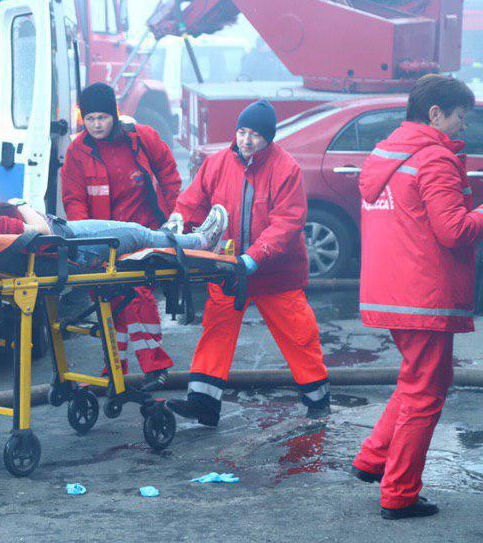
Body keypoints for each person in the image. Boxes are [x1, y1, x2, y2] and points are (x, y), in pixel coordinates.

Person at [350, 75, 483, 520]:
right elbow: (455, 231)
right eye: (460, 116)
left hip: (393, 292)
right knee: (425, 392)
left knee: (420, 381)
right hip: (424, 295)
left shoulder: (387, 153)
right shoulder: (435, 159)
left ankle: (374, 459)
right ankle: (400, 494)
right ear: (435, 113)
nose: (463, 125)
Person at [165, 99, 331, 426]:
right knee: (216, 332)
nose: (246, 140)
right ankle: (203, 404)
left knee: (299, 335)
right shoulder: (217, 164)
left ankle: (318, 400)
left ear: (268, 137)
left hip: (275, 275)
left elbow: (287, 224)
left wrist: (252, 259)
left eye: (255, 134)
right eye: (242, 132)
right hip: (228, 270)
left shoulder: (286, 169)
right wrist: (175, 227)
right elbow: (191, 204)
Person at [61, 82, 183, 392]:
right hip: (103, 243)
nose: (96, 125)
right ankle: (115, 368)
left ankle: (155, 367)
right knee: (107, 302)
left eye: (102, 117)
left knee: (138, 298)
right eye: (90, 119)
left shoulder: (142, 138)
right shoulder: (77, 152)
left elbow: (169, 175)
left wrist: (175, 216)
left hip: (141, 236)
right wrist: (86, 245)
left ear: (114, 114)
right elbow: (74, 200)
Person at [0, 198, 228, 265]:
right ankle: (201, 242)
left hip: (67, 234)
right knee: (137, 234)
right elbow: (40, 232)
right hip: (72, 243)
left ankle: (172, 236)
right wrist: (22, 204)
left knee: (140, 234)